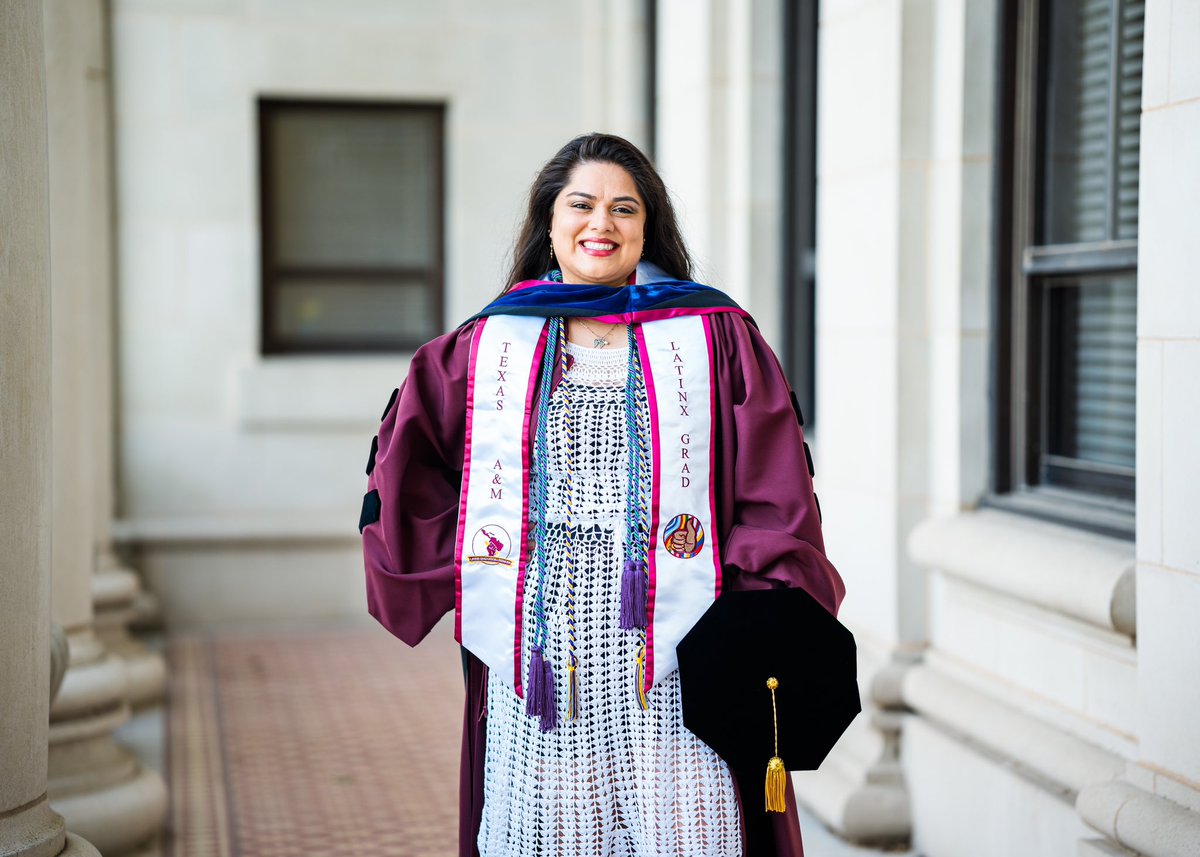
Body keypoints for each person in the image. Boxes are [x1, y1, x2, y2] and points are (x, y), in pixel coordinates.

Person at [361, 133, 844, 857]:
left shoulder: (712, 334)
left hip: (680, 638)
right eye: (581, 205)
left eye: (625, 208)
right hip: (541, 645)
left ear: (648, 229)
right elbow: (409, 454)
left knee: (688, 826)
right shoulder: (491, 343)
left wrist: (756, 591)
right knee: (552, 829)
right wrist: (459, 559)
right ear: (549, 223)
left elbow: (772, 483)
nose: (602, 223)